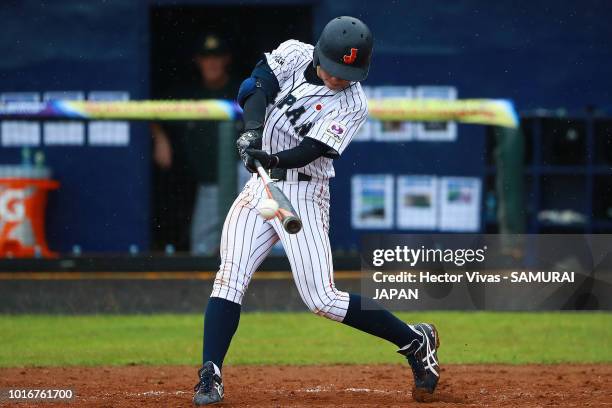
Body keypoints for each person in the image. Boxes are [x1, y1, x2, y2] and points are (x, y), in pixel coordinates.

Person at [192, 17, 440, 405]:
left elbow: (313, 149)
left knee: (321, 299)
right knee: (229, 277)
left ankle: (414, 340)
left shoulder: (354, 103)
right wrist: (253, 131)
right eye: (335, 69)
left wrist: (270, 155)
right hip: (262, 187)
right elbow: (255, 85)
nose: (340, 79)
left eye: (349, 72)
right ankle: (210, 373)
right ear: (320, 53)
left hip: (306, 191)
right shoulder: (294, 53)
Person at [152, 33, 238, 255]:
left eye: (217, 56)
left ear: (226, 59)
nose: (212, 62)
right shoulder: (187, 94)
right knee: (201, 250)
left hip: (246, 186)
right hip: (207, 187)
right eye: (206, 57)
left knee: (257, 250)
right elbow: (151, 110)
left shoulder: (243, 91)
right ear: (198, 61)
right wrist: (160, 138)